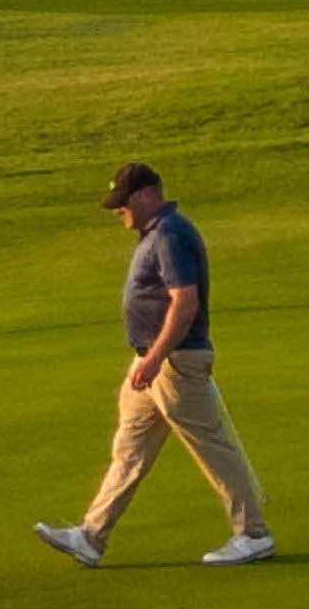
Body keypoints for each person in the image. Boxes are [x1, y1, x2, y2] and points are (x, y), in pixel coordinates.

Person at [33, 163, 273, 569]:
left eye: (122, 204)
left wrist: (155, 357)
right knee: (129, 450)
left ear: (145, 196)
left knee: (212, 446)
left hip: (176, 362)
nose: (117, 212)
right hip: (153, 361)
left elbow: (185, 302)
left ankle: (253, 534)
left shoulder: (169, 234)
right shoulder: (157, 234)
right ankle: (91, 536)